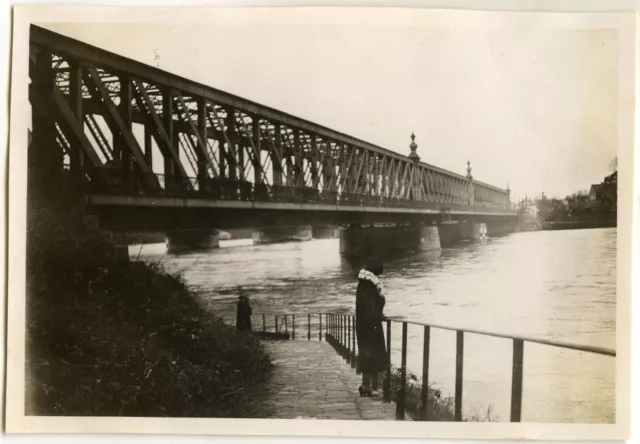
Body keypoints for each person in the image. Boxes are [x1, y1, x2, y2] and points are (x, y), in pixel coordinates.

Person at [355, 259, 387, 397]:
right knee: (373, 356)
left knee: (367, 355)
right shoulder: (370, 286)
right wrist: (379, 317)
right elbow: (369, 309)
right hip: (371, 326)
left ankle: (366, 386)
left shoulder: (363, 284)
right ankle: (371, 388)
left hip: (364, 325)